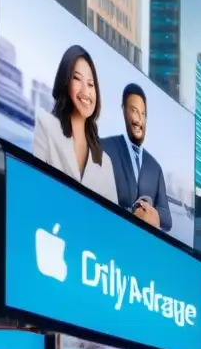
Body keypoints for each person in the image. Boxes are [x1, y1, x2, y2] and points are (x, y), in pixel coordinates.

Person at [32, 45, 118, 203]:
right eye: (77, 78)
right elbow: (34, 189)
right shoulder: (46, 126)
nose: (86, 91)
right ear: (65, 82)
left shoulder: (105, 162)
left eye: (91, 84)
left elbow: (110, 223)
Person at [101, 82, 172, 230]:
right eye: (133, 111)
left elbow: (167, 220)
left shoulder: (155, 168)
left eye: (142, 114)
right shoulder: (105, 147)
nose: (138, 120)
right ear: (123, 110)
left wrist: (151, 213)